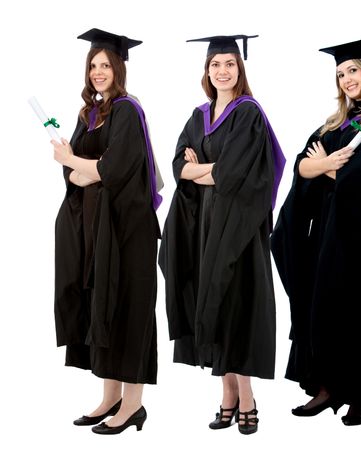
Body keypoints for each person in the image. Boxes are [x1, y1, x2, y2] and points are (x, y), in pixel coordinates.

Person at [271, 37, 361, 426]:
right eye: (340, 74)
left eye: (352, 70)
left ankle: (360, 396)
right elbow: (302, 169)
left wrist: (328, 168)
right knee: (326, 308)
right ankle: (327, 387)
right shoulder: (334, 125)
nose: (346, 79)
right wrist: (323, 167)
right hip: (330, 236)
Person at [158, 35, 285, 435]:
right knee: (209, 302)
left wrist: (204, 168)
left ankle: (246, 398)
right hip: (203, 228)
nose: (223, 71)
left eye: (230, 64)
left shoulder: (248, 114)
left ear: (240, 70)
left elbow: (232, 174)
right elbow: (179, 165)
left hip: (238, 231)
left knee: (235, 308)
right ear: (207, 71)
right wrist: (201, 170)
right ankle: (227, 393)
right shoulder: (199, 116)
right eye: (216, 64)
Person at [52, 28, 162, 435]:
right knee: (103, 305)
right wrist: (79, 166)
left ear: (119, 68)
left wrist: (73, 160)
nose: (98, 72)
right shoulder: (91, 114)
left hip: (128, 230)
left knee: (129, 308)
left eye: (105, 65)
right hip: (97, 230)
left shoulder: (128, 111)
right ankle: (109, 396)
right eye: (93, 65)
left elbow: (110, 170)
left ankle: (133, 405)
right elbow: (76, 174)